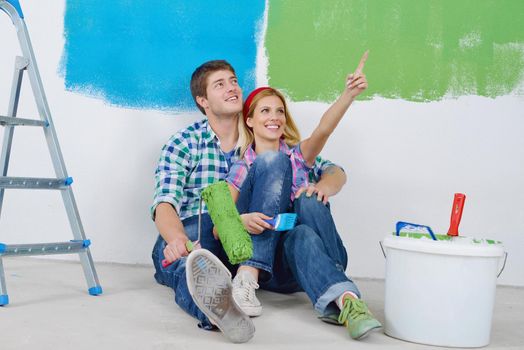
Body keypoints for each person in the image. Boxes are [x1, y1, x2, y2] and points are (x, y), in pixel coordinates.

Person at [151, 60, 347, 343]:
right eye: (220, 84)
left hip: (256, 243)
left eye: (233, 81)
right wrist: (177, 240)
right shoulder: (185, 143)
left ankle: (245, 280)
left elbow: (329, 167)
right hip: (201, 230)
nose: (232, 88)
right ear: (203, 100)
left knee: (274, 164)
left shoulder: (268, 144)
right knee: (190, 264)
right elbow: (164, 203)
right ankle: (219, 311)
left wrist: (321, 187)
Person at [224, 51, 382, 339]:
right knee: (271, 163)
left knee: (305, 212)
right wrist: (241, 220)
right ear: (249, 121)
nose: (275, 117)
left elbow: (324, 130)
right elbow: (221, 218)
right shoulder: (241, 167)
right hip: (271, 267)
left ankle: (346, 300)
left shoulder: (299, 157)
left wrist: (348, 95)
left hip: (309, 256)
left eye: (280, 111)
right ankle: (340, 295)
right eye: (265, 111)